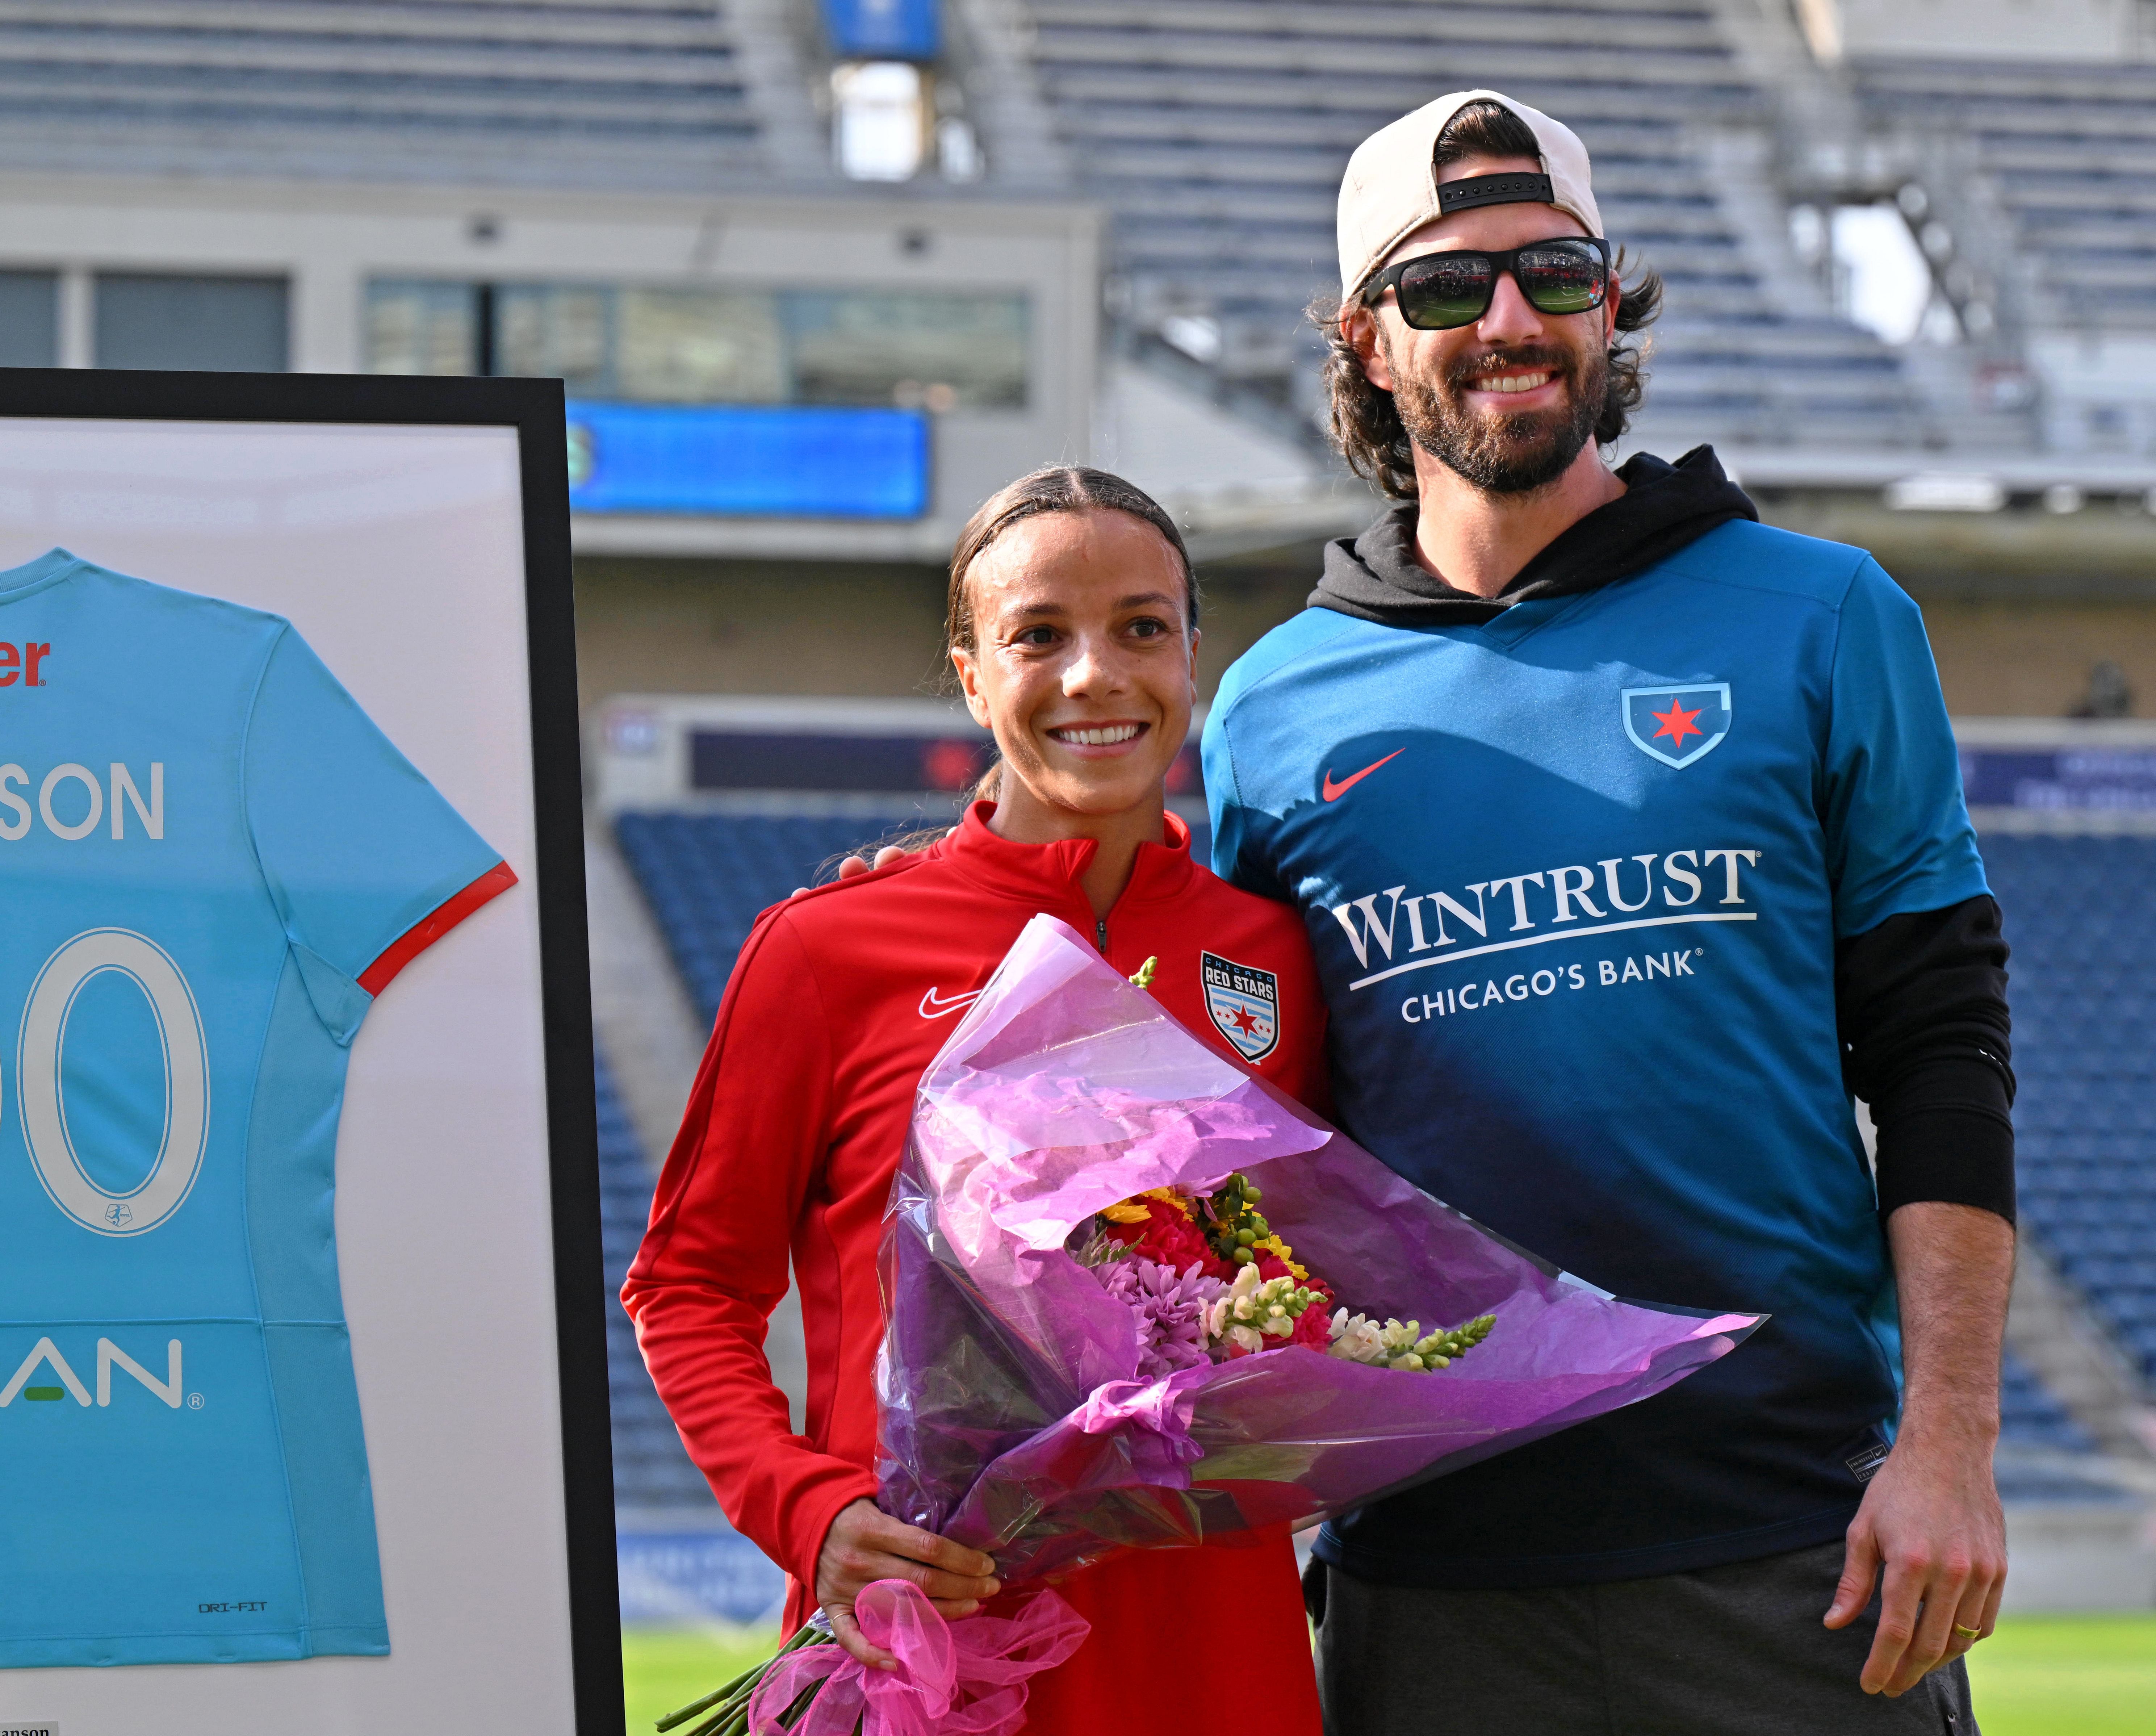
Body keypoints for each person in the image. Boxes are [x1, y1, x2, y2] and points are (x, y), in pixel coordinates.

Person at [1200, 91, 2014, 1734]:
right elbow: (1238, 1121)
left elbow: (1941, 1047)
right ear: (1368, 341)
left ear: (1609, 302)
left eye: (1554, 272)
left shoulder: (1822, 612)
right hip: (1430, 1572)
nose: (1508, 321)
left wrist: (1950, 1443)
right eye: (1447, 289)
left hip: (1796, 1547)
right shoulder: (1267, 709)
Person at [623, 466, 1324, 1735]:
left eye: (1140, 628)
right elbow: (686, 1288)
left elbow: (1329, 1263)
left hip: (1213, 1645)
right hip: (931, 1639)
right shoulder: (828, 948)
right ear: (969, 672)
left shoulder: (1272, 952)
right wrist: (809, 1510)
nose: (1095, 675)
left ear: (1192, 654)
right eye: (1039, 635)